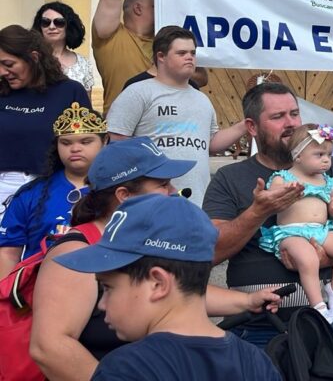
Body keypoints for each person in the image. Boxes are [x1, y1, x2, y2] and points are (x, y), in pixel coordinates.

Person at [30, 137, 280, 381]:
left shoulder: (155, 236)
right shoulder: (74, 251)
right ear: (124, 195)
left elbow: (179, 293)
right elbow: (49, 348)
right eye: (162, 184)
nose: (173, 192)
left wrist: (247, 300)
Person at [203, 82, 333, 359]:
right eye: (277, 117)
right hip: (257, 325)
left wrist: (320, 257)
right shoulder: (230, 178)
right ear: (251, 127)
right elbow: (210, 250)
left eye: (294, 114)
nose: (291, 123)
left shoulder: (326, 167)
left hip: (323, 322)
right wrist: (257, 212)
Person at [54, 193, 282, 380]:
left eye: (108, 288)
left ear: (158, 283)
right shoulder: (256, 362)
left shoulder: (125, 369)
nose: (102, 304)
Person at [107, 26, 245, 206]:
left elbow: (211, 144)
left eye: (193, 53)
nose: (190, 57)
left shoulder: (202, 99)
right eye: (181, 53)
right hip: (151, 201)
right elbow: (118, 147)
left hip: (197, 200)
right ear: (161, 56)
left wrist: (245, 125)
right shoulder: (137, 92)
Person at [258, 124, 333, 322]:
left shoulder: (326, 180)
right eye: (319, 154)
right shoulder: (283, 177)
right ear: (298, 155)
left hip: (319, 231)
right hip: (291, 233)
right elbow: (270, 201)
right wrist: (281, 194)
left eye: (328, 154)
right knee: (309, 258)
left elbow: (332, 200)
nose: (326, 160)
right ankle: (318, 305)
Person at [0, 102, 106, 276]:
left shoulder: (120, 191)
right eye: (65, 142)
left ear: (105, 141)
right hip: (38, 288)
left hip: (104, 289)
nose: (75, 148)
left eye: (86, 141)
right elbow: (8, 252)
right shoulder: (31, 193)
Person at [1, 25, 91, 220]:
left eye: (9, 64)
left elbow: (87, 141)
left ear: (34, 57)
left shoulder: (70, 91)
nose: (2, 72)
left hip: (50, 186)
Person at [31, 2, 95, 94]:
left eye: (59, 22)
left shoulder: (84, 64)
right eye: (45, 22)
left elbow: (86, 104)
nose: (52, 27)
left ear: (69, 26)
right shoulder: (32, 58)